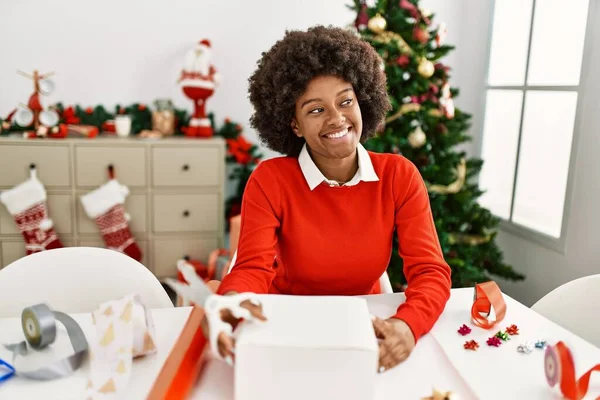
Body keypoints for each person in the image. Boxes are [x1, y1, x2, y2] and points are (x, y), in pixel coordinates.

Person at [209, 25, 451, 372]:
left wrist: (407, 325)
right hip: (284, 325)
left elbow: (429, 271)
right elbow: (251, 269)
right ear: (294, 125)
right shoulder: (270, 180)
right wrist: (229, 306)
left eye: (345, 101)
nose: (337, 118)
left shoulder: (399, 176)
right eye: (316, 109)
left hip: (364, 324)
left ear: (363, 101)